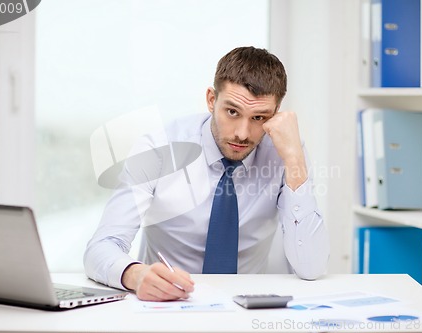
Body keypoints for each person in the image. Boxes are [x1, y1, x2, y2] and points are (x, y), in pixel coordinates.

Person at [84, 46, 330, 302]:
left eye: (258, 117)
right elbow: (101, 246)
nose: (242, 134)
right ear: (212, 100)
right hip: (167, 305)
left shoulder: (285, 151)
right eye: (232, 112)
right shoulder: (159, 149)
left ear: (276, 114)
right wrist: (136, 276)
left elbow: (311, 267)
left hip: (246, 307)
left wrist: (294, 159)